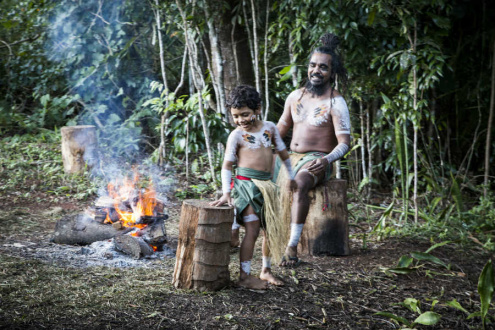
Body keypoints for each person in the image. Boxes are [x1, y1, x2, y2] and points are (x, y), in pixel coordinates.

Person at [275, 33, 351, 267]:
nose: (316, 70)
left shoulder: (335, 102)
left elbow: (345, 143)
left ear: (332, 73)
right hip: (290, 156)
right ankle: (240, 233)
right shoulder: (295, 96)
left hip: (317, 160)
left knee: (298, 183)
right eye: (313, 65)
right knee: (250, 175)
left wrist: (327, 160)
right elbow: (280, 129)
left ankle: (292, 245)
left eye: (323, 67)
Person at [211, 85, 297, 289]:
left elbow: (284, 153)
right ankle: (244, 276)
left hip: (268, 186)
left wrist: (291, 177)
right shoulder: (236, 136)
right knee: (252, 230)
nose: (240, 120)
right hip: (246, 187)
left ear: (258, 109)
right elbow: (227, 165)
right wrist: (226, 192)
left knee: (270, 229)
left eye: (245, 114)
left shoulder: (270, 128)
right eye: (235, 116)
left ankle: (265, 271)